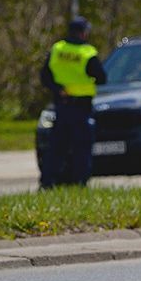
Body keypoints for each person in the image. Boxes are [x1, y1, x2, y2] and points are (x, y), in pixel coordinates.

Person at [39, 16, 107, 188]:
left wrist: (58, 89)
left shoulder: (57, 49)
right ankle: (80, 183)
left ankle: (47, 182)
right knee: (82, 147)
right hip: (81, 107)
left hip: (61, 106)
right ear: (83, 33)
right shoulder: (87, 52)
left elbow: (45, 76)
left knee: (56, 147)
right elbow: (101, 77)